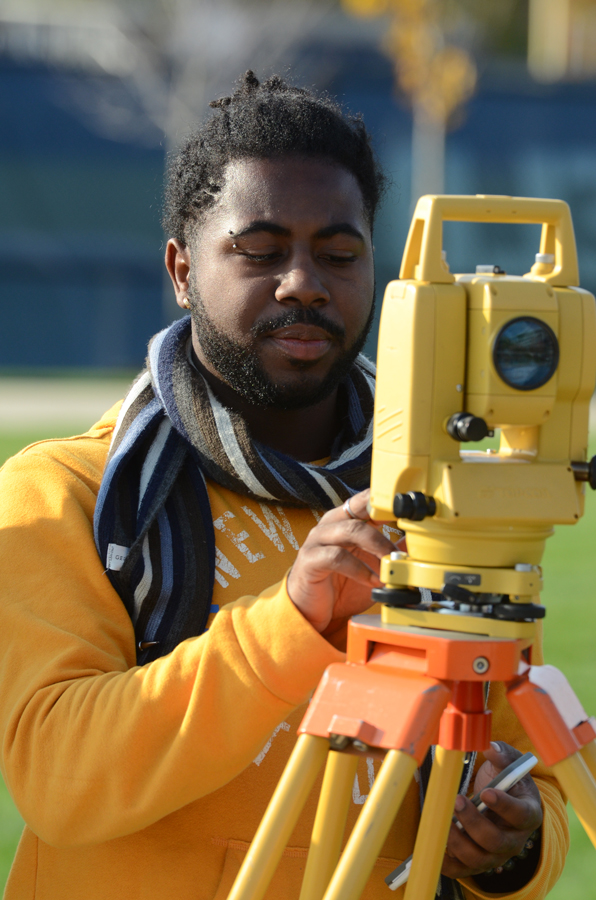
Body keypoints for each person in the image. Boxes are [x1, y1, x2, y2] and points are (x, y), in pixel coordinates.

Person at [0, 71, 567, 900]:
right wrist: (291, 623)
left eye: (339, 255)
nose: (304, 282)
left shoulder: (438, 506)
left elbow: (528, 779)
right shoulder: (64, 492)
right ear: (183, 270)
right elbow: (60, 782)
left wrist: (511, 846)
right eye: (260, 252)